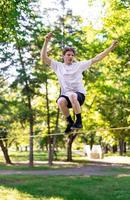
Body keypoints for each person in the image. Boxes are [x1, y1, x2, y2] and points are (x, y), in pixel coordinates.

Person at [41, 32, 118, 133]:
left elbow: (97, 58)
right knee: (60, 101)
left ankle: (79, 121)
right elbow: (44, 58)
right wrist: (46, 41)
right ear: (63, 56)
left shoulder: (79, 65)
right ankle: (70, 123)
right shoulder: (58, 66)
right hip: (66, 96)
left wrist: (110, 48)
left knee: (73, 95)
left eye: (72, 55)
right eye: (68, 55)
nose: (70, 57)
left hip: (79, 96)